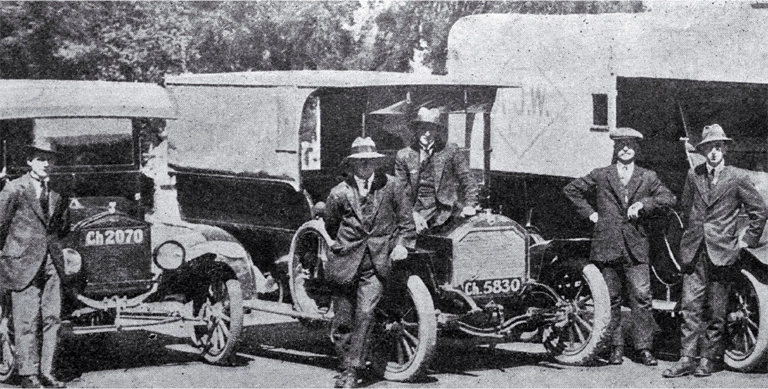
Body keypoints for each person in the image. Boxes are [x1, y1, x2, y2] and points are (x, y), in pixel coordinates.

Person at [563, 127, 676, 366]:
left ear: (637, 149)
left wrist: (644, 205)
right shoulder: (602, 174)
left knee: (642, 297)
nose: (626, 148)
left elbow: (668, 198)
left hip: (636, 246)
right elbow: (572, 190)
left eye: (630, 145)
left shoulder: (648, 176)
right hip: (607, 245)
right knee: (611, 299)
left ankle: (644, 348)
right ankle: (615, 347)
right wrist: (592, 215)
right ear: (615, 148)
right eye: (621, 144)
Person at [663, 124, 767, 378]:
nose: (713, 152)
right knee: (690, 307)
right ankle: (686, 358)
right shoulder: (693, 174)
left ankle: (709, 359)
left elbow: (759, 212)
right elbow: (687, 208)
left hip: (722, 252)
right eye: (709, 147)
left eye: (718, 147)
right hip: (694, 251)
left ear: (725, 150)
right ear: (703, 150)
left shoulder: (737, 178)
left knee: (716, 310)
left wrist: (746, 241)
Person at [324, 137, 415, 388]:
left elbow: (407, 224)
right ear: (352, 166)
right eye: (360, 162)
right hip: (345, 262)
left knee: (365, 313)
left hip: (377, 263)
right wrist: (346, 247)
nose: (365, 166)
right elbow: (331, 227)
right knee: (342, 320)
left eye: (370, 162)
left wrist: (400, 246)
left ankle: (353, 370)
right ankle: (344, 366)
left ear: (376, 163)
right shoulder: (338, 193)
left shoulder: (392, 187)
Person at [0, 139, 68, 388]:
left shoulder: (58, 191)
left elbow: (62, 226)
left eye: (50, 159)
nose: (46, 164)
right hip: (22, 265)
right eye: (40, 159)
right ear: (29, 161)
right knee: (26, 320)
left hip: (51, 263)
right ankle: (28, 374)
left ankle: (47, 372)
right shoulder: (14, 189)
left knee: (52, 318)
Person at [394, 107, 478, 233]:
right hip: (417, 212)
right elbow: (400, 192)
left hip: (447, 211)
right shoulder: (404, 155)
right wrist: (412, 215)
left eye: (431, 129)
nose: (427, 134)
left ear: (437, 131)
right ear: (416, 130)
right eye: (422, 128)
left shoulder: (450, 151)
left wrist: (470, 205)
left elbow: (467, 179)